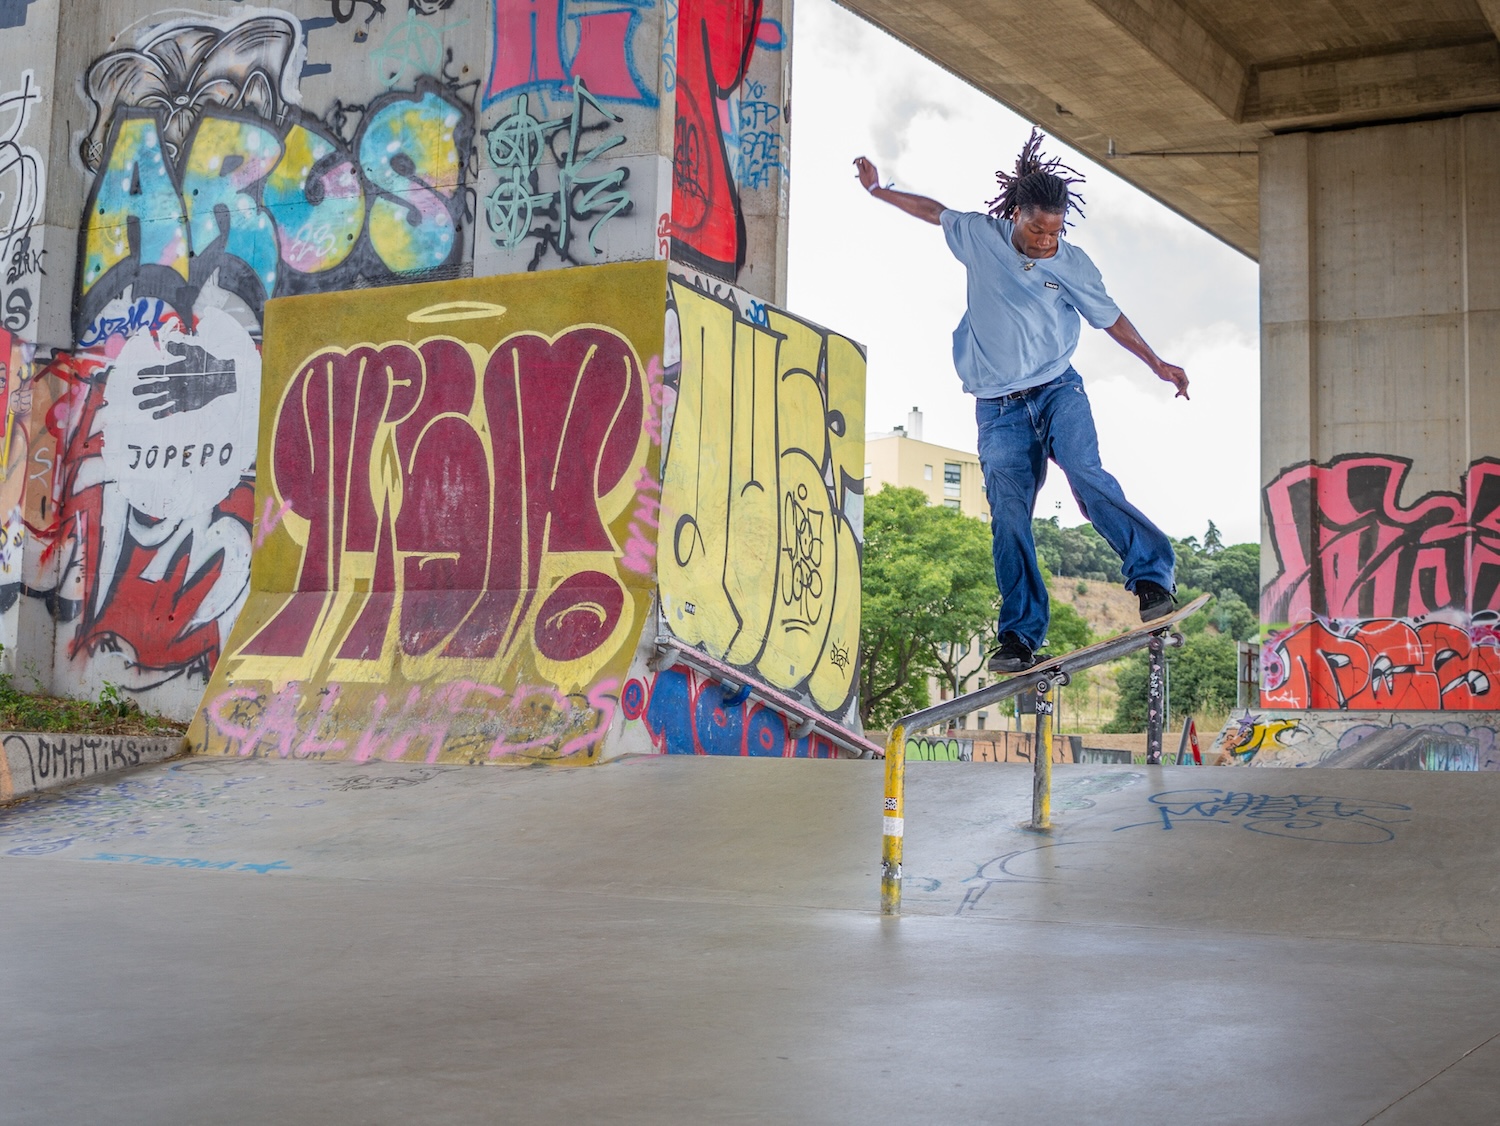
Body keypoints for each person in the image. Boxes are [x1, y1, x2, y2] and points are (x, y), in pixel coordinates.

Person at [854, 129, 1188, 673]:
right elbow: (933, 210)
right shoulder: (980, 237)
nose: (1044, 240)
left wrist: (1157, 364)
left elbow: (1111, 320)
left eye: (1054, 231)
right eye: (1036, 228)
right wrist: (878, 191)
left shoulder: (1073, 264)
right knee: (1009, 518)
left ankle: (1152, 575)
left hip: (1059, 390)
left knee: (1085, 474)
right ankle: (1019, 637)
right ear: (1016, 214)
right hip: (998, 409)